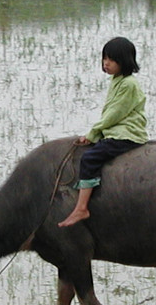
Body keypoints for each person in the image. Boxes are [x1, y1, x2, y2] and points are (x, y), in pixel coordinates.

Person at [58, 36, 148, 228]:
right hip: (116, 131)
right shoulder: (117, 80)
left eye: (111, 60)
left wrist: (93, 134)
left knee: (90, 158)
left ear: (124, 62)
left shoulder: (129, 84)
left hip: (126, 134)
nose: (106, 63)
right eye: (104, 58)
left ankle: (82, 207)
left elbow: (115, 113)